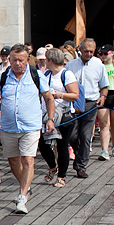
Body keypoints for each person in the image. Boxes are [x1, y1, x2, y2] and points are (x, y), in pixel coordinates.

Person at [0, 44, 55, 214]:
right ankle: (26, 187)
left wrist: (50, 119)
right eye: (14, 60)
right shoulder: (3, 78)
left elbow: (48, 98)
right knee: (13, 162)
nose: (17, 63)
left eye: (21, 60)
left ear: (27, 60)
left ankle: (21, 196)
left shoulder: (36, 75)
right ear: (9, 60)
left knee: (28, 160)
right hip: (9, 127)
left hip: (31, 127)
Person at [66, 38, 109, 178]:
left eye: (91, 51)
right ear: (80, 50)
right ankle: (79, 157)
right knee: (72, 135)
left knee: (85, 136)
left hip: (91, 103)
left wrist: (103, 97)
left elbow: (104, 86)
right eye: (86, 51)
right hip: (74, 103)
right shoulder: (71, 65)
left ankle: (81, 166)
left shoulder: (99, 65)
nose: (89, 54)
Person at [37, 48, 80, 188]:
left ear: (50, 60)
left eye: (45, 60)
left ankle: (62, 176)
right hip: (47, 114)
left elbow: (75, 95)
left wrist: (60, 95)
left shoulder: (66, 74)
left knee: (62, 146)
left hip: (64, 114)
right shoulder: (47, 74)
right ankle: (52, 166)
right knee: (42, 144)